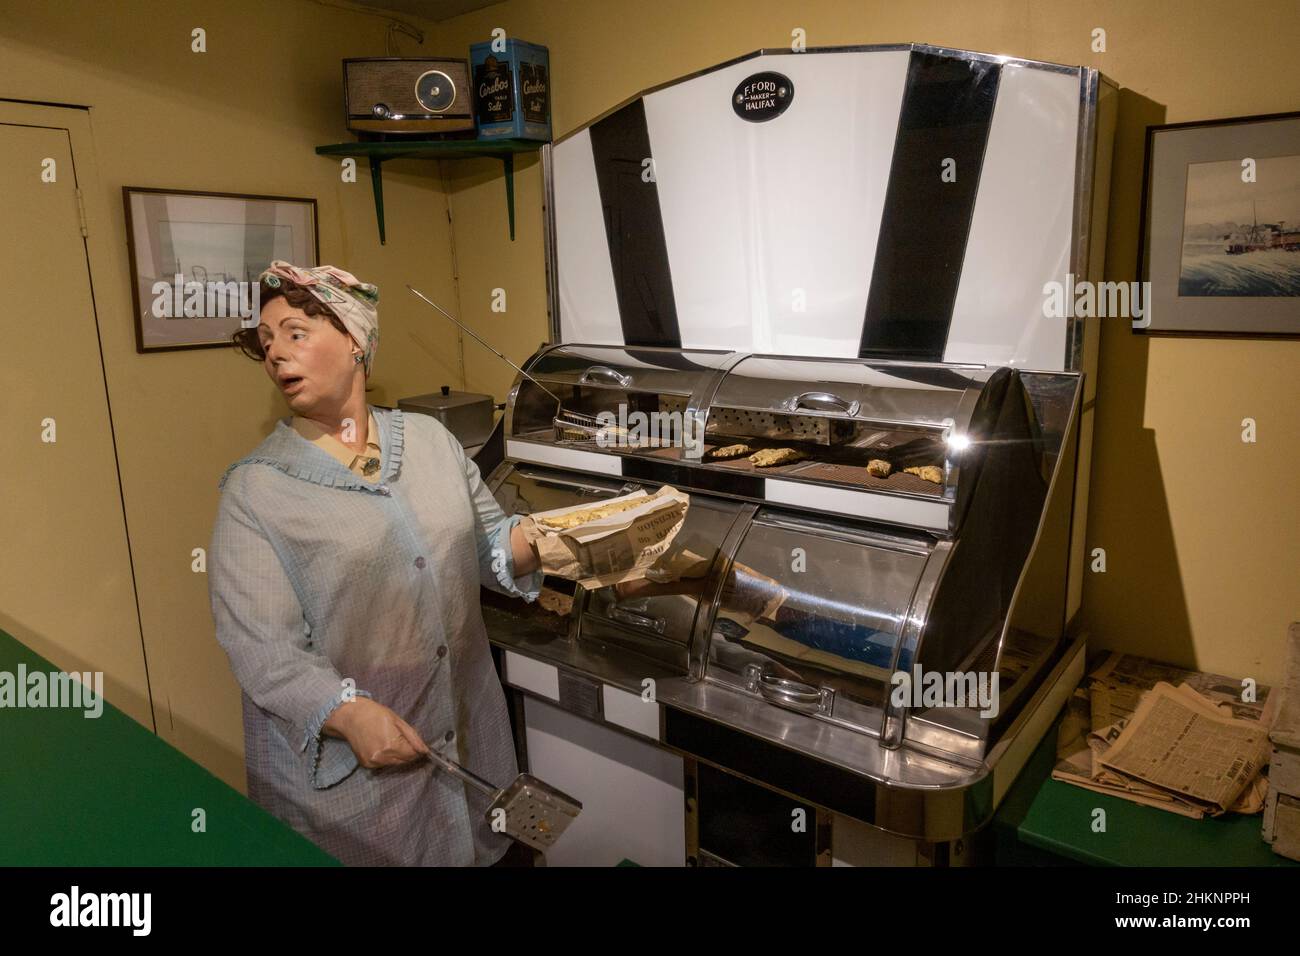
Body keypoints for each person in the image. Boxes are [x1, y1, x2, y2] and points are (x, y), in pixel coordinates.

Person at [208, 260, 541, 866]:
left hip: (465, 746)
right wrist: (346, 712)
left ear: (356, 341)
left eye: (295, 333)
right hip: (355, 792)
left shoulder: (432, 443)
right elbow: (263, 649)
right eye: (266, 342)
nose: (276, 355)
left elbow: (488, 546)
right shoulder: (256, 491)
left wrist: (563, 538)